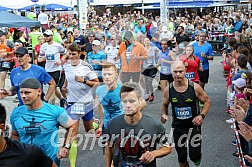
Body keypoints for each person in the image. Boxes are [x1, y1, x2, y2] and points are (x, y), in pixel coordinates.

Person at [10, 78, 77, 166]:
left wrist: (66, 146)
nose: (23, 96)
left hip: (49, 162)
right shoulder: (16, 113)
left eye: (27, 92)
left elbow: (72, 126)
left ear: (39, 91)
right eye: (21, 92)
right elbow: (15, 135)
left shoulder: (55, 111)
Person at [105, 82, 173, 167]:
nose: (128, 105)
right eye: (124, 101)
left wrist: (154, 154)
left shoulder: (154, 125)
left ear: (140, 101)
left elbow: (168, 147)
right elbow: (109, 147)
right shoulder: (113, 124)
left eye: (132, 101)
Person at [161, 61, 211, 167]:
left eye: (180, 71)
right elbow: (164, 105)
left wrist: (201, 115)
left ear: (185, 71)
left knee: (194, 156)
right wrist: (164, 114)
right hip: (178, 125)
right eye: (175, 72)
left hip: (194, 125)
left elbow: (207, 101)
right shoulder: (168, 90)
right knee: (181, 156)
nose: (178, 74)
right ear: (171, 72)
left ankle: (197, 157)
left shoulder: (195, 87)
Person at [62, 43, 99, 167]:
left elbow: (97, 84)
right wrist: (65, 86)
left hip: (86, 103)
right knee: (73, 133)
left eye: (74, 54)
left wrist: (83, 80)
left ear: (79, 54)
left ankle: (95, 124)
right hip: (72, 103)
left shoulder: (86, 67)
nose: (71, 56)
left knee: (89, 129)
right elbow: (68, 78)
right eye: (70, 54)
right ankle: (72, 164)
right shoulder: (66, 66)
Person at [95, 62, 124, 138]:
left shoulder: (123, 90)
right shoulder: (99, 90)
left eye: (110, 74)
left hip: (122, 126)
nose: (107, 77)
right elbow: (101, 108)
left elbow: (142, 103)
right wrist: (101, 125)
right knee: (107, 148)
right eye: (104, 74)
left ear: (116, 75)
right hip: (107, 125)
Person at [38, 29, 66, 106]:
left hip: (56, 69)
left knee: (52, 86)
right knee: (53, 87)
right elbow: (39, 58)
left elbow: (65, 53)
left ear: (52, 36)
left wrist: (61, 60)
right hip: (47, 68)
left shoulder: (58, 45)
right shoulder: (43, 46)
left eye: (47, 36)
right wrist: (42, 59)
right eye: (45, 36)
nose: (46, 37)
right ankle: (62, 99)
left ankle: (49, 105)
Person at [142, 37, 159, 102]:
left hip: (153, 67)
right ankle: (147, 95)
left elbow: (160, 52)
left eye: (147, 40)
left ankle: (151, 95)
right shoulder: (142, 49)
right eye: (145, 41)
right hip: (145, 67)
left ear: (149, 41)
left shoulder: (154, 48)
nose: (146, 42)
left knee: (149, 81)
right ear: (143, 42)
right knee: (146, 82)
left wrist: (158, 62)